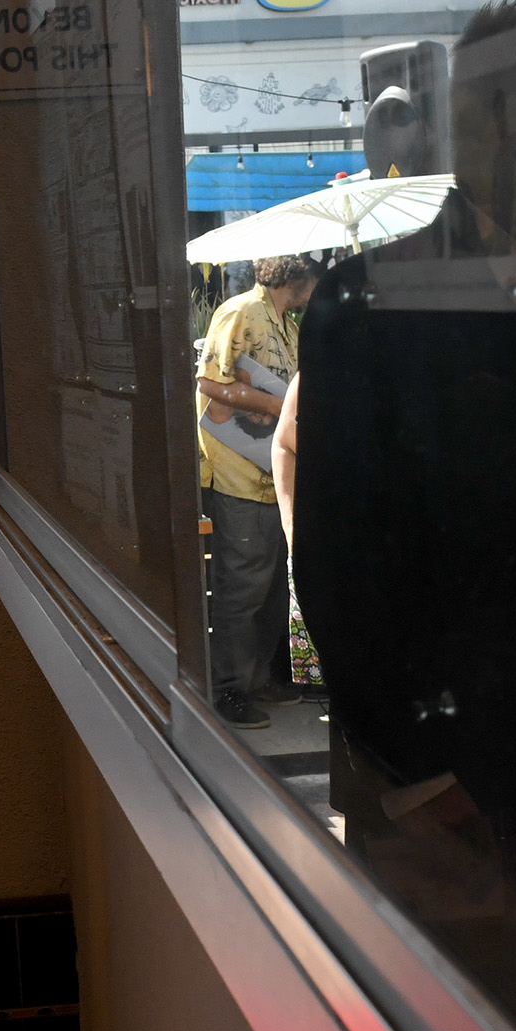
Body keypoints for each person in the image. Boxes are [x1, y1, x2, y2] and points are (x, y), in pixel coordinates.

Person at [279, 2, 516, 1031]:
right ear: (495, 128)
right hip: (437, 797)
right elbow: (338, 564)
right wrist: (420, 779)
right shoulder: (370, 302)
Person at [195, 252, 315, 726]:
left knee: (270, 588)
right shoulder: (241, 311)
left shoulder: (288, 326)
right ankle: (229, 688)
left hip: (272, 476)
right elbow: (210, 382)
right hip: (239, 474)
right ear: (297, 274)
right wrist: (275, 404)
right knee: (241, 588)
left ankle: (258, 676)